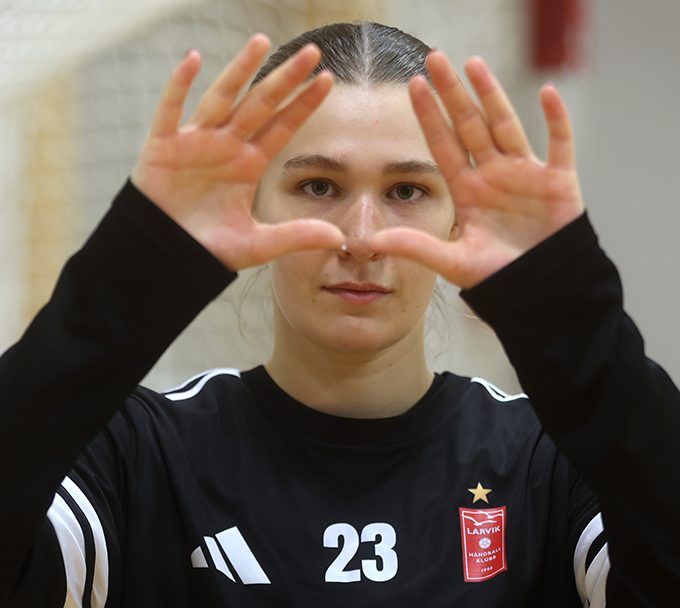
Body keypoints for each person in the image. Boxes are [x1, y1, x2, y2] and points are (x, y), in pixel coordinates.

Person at [0, 20, 678, 607]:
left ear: (457, 218)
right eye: (318, 185)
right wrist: (134, 269)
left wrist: (566, 310)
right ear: (254, 201)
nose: (362, 236)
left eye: (406, 191)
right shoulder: (136, 454)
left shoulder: (549, 462)